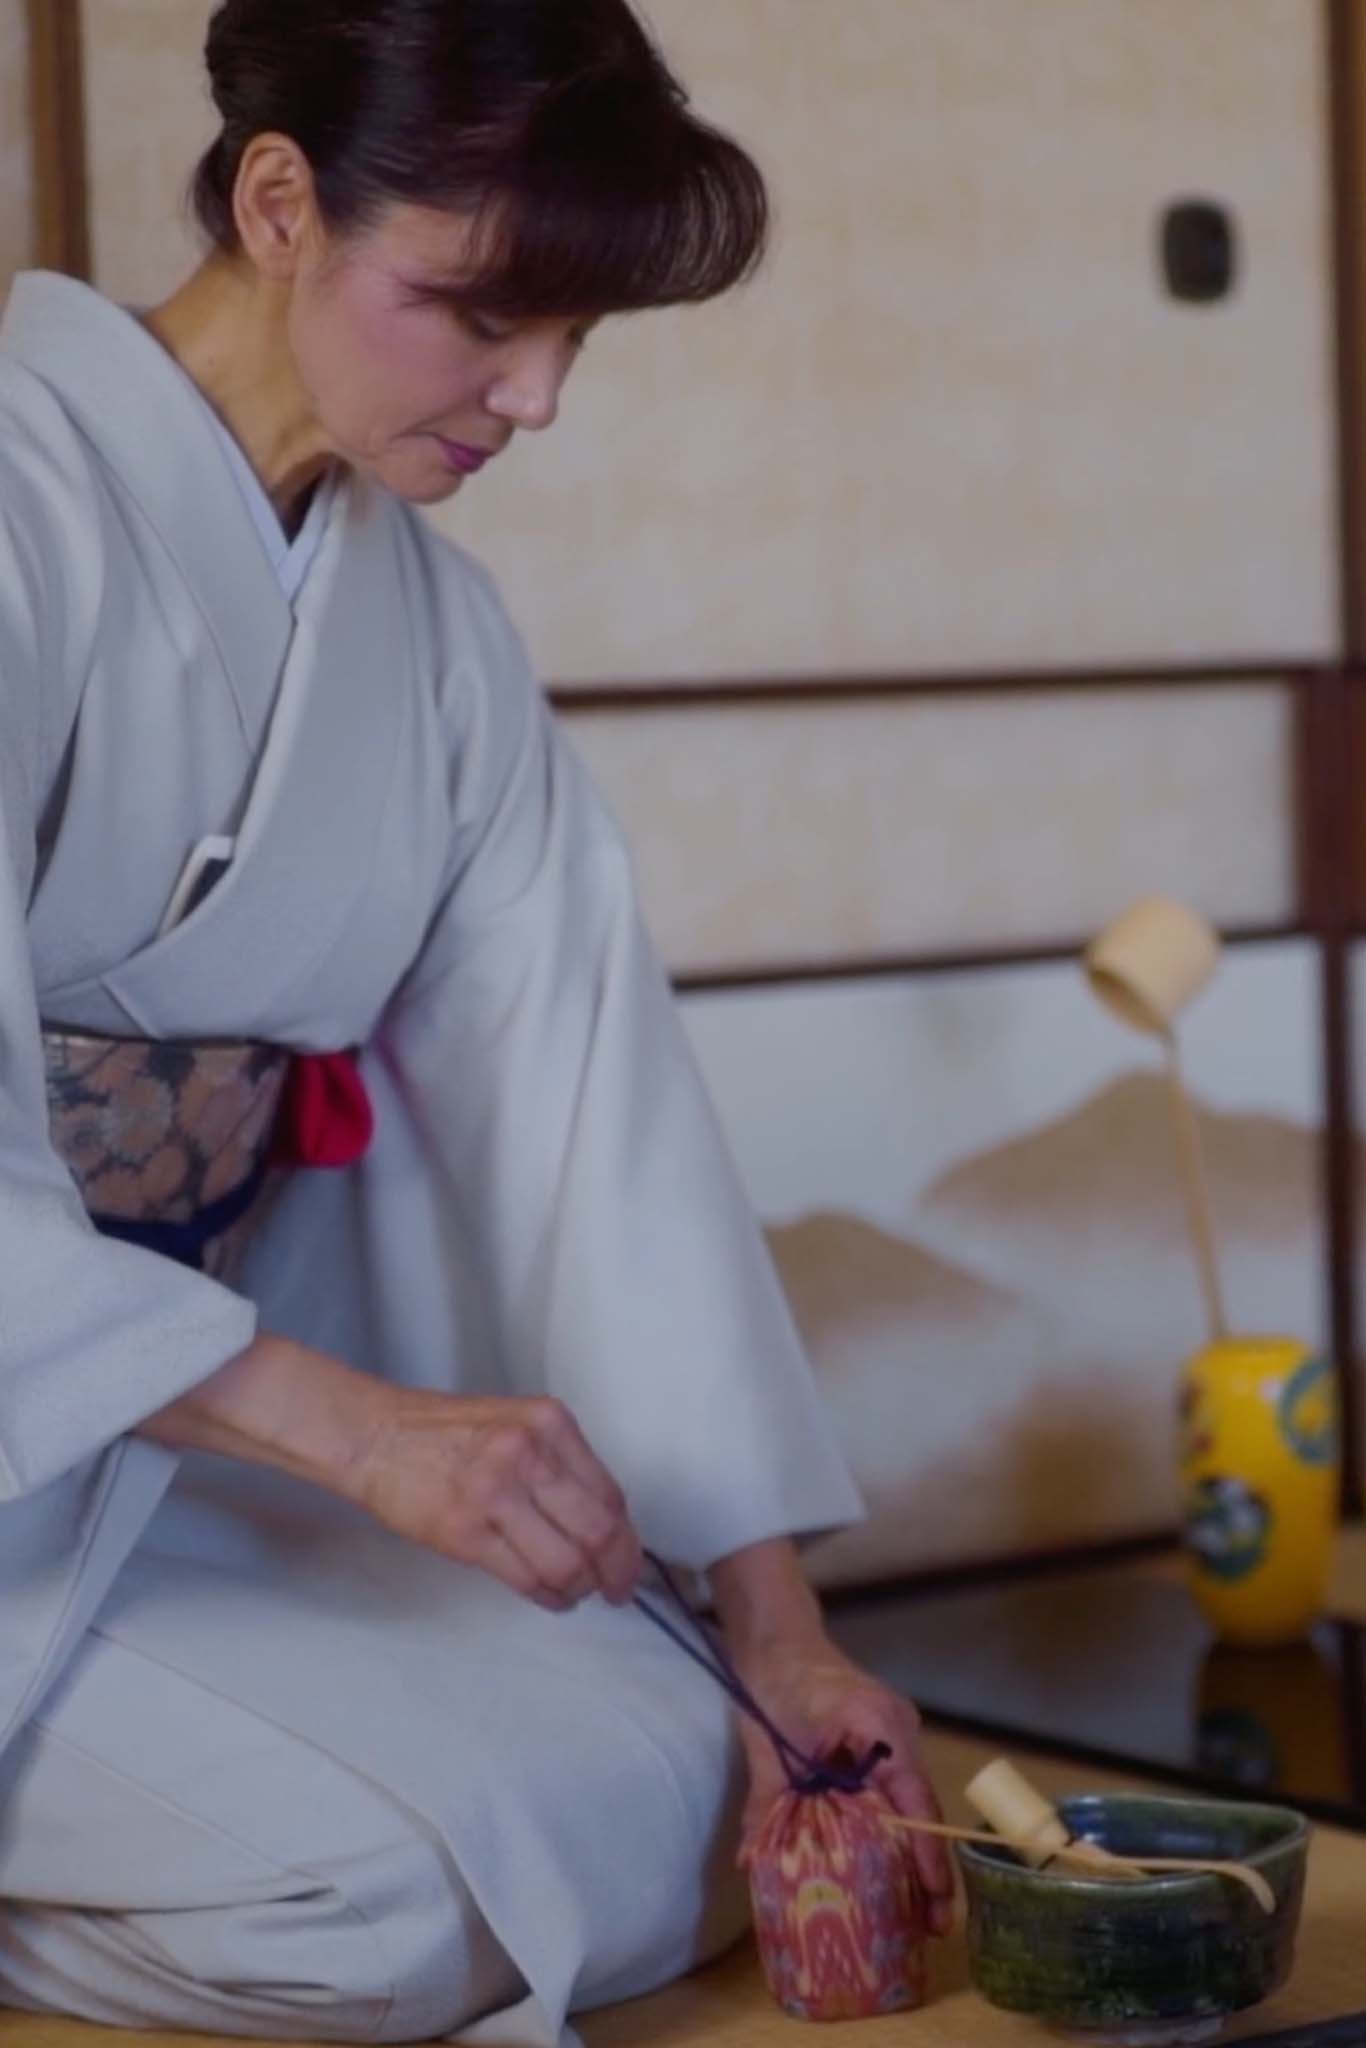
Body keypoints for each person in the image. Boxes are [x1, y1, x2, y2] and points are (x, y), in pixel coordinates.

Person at [0, 3, 951, 2041]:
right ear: (278, 203)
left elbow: (590, 1105)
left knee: (686, 1767)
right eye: (479, 312)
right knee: (386, 1893)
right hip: (53, 1429)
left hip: (178, 1450)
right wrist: (350, 1430)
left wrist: (777, 1633)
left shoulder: (427, 635)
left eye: (575, 334)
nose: (534, 399)